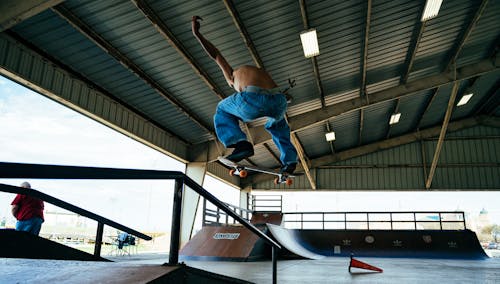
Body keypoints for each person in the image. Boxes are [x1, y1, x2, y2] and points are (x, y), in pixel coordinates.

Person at [191, 16, 298, 174]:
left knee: (221, 109)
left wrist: (197, 34)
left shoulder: (232, 75)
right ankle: (290, 161)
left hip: (253, 98)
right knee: (277, 125)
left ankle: (241, 144)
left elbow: (215, 55)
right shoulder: (249, 72)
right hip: (278, 101)